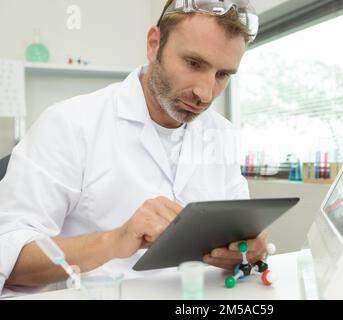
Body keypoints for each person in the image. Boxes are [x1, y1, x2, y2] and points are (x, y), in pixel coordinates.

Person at [0, 0, 267, 295]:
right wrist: (114, 241)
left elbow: (240, 233)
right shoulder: (68, 124)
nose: (205, 93)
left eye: (222, 75)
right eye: (193, 63)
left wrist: (249, 249)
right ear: (154, 45)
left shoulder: (222, 134)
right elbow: (8, 257)